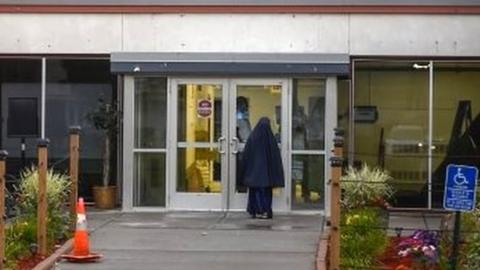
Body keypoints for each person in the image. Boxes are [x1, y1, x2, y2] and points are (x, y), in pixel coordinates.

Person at [241, 117, 285, 219]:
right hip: (266, 176)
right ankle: (265, 211)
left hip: (254, 174)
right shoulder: (270, 140)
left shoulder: (252, 138)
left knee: (255, 192)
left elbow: (246, 156)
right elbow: (275, 158)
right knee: (265, 193)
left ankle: (256, 211)